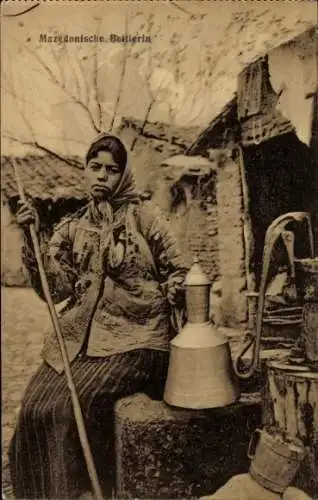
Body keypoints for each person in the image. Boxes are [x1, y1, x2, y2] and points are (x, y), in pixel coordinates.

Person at [9, 133, 187, 499]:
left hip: (137, 339)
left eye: (112, 169)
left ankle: (84, 491)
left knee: (68, 410)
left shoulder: (146, 217)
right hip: (79, 342)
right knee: (33, 409)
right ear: (85, 171)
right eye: (95, 167)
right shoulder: (73, 226)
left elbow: (180, 268)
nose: (102, 176)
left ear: (123, 175)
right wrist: (32, 238)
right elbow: (54, 291)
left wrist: (174, 287)